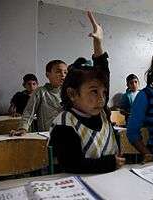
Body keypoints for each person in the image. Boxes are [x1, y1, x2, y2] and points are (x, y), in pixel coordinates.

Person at [49, 11, 125, 173]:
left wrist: (99, 43)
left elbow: (104, 72)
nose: (102, 99)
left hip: (112, 181)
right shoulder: (64, 123)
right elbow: (71, 164)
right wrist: (109, 163)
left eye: (104, 93)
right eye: (93, 92)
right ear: (72, 94)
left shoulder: (102, 112)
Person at [10, 61, 67, 135]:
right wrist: (23, 128)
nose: (63, 75)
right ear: (48, 75)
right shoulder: (40, 92)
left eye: (65, 72)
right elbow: (29, 112)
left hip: (66, 135)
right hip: (47, 135)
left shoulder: (68, 93)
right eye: (58, 71)